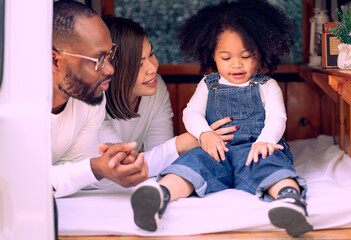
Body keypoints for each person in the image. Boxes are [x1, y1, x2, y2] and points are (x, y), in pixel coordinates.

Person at [130, 0, 313, 237]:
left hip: (255, 150)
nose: (236, 65)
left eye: (246, 56)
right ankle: (158, 195)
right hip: (216, 149)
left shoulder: (267, 85)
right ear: (212, 56)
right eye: (226, 58)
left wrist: (265, 141)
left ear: (261, 54)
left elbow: (277, 117)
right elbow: (191, 112)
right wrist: (204, 134)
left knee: (272, 163)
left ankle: (290, 201)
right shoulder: (208, 84)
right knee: (193, 163)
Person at [100, 16, 237, 177]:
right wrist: (188, 141)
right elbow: (120, 167)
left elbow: (160, 159)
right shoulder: (94, 101)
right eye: (138, 64)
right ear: (113, 70)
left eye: (151, 54)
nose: (152, 68)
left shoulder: (155, 87)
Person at [51, 0, 148, 198]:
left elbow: (77, 166)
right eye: (99, 60)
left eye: (110, 54)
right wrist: (96, 168)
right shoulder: (14, 108)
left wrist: (113, 167)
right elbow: (21, 180)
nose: (111, 69)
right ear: (55, 61)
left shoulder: (88, 98)